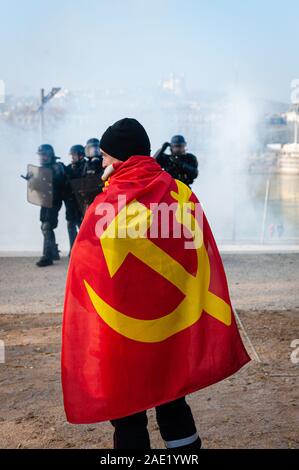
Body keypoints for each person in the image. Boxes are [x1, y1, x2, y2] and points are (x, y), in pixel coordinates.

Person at [62, 118, 250, 449]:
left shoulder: (105, 206)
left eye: (106, 157)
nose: (102, 164)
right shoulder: (180, 193)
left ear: (120, 159)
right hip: (172, 330)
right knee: (173, 400)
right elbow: (199, 253)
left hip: (121, 332)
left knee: (128, 412)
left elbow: (86, 268)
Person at [36, 144, 65, 267]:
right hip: (45, 200)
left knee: (47, 225)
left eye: (45, 155)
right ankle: (53, 252)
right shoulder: (42, 169)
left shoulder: (57, 167)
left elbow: (59, 181)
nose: (43, 157)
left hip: (54, 200)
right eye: (41, 155)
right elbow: (38, 188)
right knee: (44, 225)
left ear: (50, 155)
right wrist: (32, 181)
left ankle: (47, 256)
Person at [64, 145, 86, 254]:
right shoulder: (67, 168)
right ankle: (73, 249)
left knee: (82, 227)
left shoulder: (87, 167)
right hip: (71, 203)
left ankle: (83, 250)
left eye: (74, 155)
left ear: (81, 155)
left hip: (82, 203)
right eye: (71, 155)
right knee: (70, 225)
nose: (72, 157)